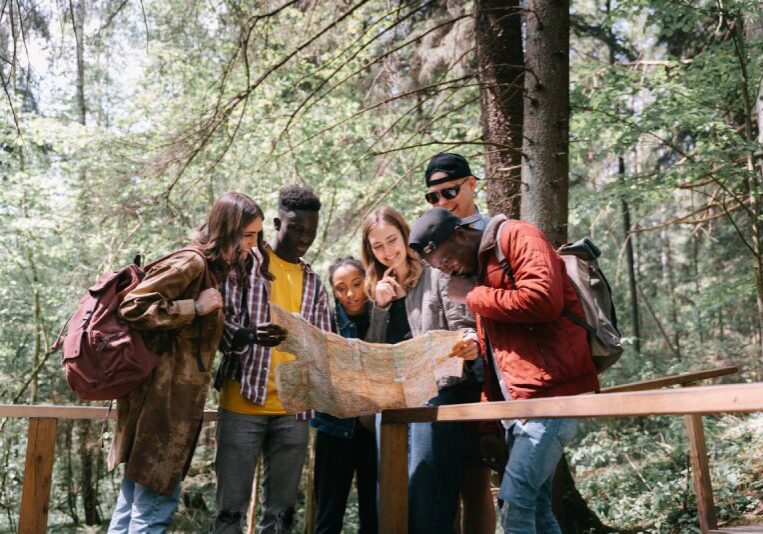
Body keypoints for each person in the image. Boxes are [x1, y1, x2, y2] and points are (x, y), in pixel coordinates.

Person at [409, 207, 600, 534]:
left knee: (514, 500)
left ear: (461, 234)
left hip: (554, 397)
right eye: (439, 268)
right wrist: (488, 427)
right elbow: (496, 358)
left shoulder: (517, 235)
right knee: (537, 508)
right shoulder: (480, 272)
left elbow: (543, 300)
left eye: (446, 261)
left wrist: (472, 296)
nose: (447, 270)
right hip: (520, 406)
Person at [108, 192, 266, 533]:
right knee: (152, 511)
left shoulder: (211, 271)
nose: (253, 245)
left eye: (257, 235)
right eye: (248, 235)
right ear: (228, 230)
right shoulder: (191, 264)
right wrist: (193, 307)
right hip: (159, 410)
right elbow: (132, 307)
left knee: (133, 507)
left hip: (172, 410)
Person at [212, 185, 331, 534]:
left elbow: (323, 346)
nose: (304, 238)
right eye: (296, 228)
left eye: (311, 231)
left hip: (294, 412)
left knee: (281, 516)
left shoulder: (314, 282)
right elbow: (218, 328)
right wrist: (249, 334)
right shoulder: (244, 265)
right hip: (242, 406)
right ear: (278, 222)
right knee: (229, 513)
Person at [361, 206, 479, 534]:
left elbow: (463, 326)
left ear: (405, 236)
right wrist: (381, 309)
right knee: (392, 496)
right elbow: (374, 354)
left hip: (437, 396)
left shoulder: (435, 273)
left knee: (426, 493)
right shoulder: (376, 287)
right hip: (395, 403)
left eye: (392, 240)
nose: (387, 252)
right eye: (378, 246)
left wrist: (469, 343)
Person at [423, 152, 494, 533]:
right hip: (448, 379)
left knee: (478, 482)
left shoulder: (496, 233)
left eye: (448, 191)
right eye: (432, 196)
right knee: (443, 481)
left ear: (471, 184)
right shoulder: (430, 235)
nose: (442, 201)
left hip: (493, 376)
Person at [312, 257, 377, 534]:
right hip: (333, 428)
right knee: (328, 516)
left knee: (374, 515)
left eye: (356, 284)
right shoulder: (324, 322)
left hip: (374, 430)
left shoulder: (383, 314)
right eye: (340, 288)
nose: (350, 294)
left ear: (367, 282)